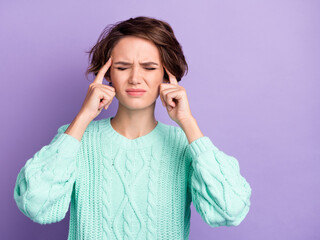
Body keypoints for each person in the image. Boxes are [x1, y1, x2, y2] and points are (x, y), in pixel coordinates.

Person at [13, 16, 252, 240]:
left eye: (149, 67)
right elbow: (36, 206)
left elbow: (230, 210)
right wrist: (83, 117)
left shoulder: (185, 145)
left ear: (167, 76)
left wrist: (188, 123)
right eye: (122, 67)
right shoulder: (76, 139)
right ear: (106, 75)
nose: (135, 78)